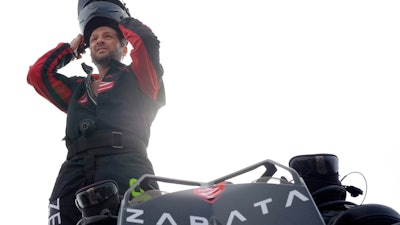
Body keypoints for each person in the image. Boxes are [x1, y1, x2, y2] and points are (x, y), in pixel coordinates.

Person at [26, 1, 165, 224]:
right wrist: (71, 49)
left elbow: (147, 42)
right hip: (74, 172)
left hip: (127, 164)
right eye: (93, 38)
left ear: (124, 47)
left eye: (108, 36)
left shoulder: (140, 78)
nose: (99, 40)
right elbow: (37, 74)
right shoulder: (77, 89)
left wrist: (120, 20)